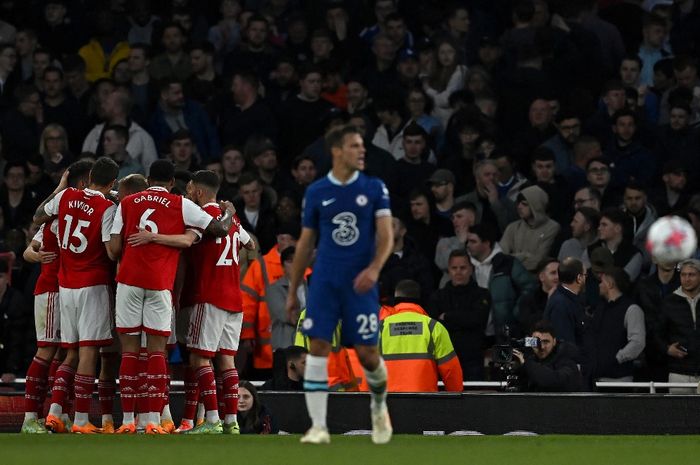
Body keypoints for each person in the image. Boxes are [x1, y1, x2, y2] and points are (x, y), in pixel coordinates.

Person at [285, 125, 394, 444]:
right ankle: (318, 425)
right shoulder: (317, 191)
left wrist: (375, 268)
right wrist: (293, 291)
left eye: (363, 145)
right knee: (316, 348)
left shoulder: (375, 187)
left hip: (360, 283)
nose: (362, 151)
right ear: (336, 151)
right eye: (355, 146)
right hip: (325, 281)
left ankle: (378, 404)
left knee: (367, 353)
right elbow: (306, 243)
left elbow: (386, 235)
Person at [107, 160, 233, 434]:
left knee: (129, 351)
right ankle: (153, 420)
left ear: (149, 178)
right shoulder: (181, 204)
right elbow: (220, 229)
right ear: (172, 183)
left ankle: (128, 420)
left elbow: (115, 249)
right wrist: (229, 213)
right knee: (156, 352)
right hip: (159, 284)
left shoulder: (127, 203)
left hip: (128, 282)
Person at [33, 157, 120, 434]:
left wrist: (59, 187)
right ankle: (81, 419)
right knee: (88, 353)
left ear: (90, 176)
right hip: (92, 285)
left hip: (66, 286)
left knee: (69, 353)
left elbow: (38, 216)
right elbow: (111, 251)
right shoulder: (107, 207)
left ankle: (55, 412)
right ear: (112, 183)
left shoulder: (66, 196)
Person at [20, 160, 92, 434]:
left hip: (69, 291)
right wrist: (37, 256)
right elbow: (29, 250)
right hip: (51, 290)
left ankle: (59, 412)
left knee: (66, 353)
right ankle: (30, 418)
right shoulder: (54, 217)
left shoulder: (79, 215)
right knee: (46, 351)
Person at [380, 279, 463, 391]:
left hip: (388, 402)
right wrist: (456, 398)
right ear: (420, 300)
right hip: (424, 403)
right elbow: (451, 370)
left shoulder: (381, 328)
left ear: (395, 300)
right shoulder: (434, 327)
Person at [428, 250, 491, 380]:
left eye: (463, 268)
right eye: (454, 268)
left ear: (471, 269)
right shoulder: (437, 297)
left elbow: (478, 320)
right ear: (448, 271)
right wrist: (465, 319)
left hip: (473, 359)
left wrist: (447, 316)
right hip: (444, 358)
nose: (458, 272)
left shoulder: (482, 294)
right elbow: (435, 327)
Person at [466, 223, 537, 338]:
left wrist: (517, 312)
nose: (468, 245)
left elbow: (530, 286)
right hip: (475, 334)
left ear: (486, 243)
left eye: (473, 241)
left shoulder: (507, 263)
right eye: (467, 241)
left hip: (505, 333)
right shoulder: (465, 266)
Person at [587, 266, 645, 383]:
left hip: (619, 379)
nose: (599, 285)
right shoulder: (600, 308)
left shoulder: (632, 309)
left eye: (602, 282)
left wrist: (617, 358)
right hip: (596, 378)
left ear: (610, 284)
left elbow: (638, 342)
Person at [656, 259, 700, 394]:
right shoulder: (668, 303)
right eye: (683, 275)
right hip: (678, 372)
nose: (687, 279)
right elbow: (656, 334)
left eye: (691, 275)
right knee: (678, 414)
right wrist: (667, 349)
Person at [499, 185, 560, 272]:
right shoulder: (513, 227)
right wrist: (525, 256)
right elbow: (500, 257)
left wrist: (512, 258)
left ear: (536, 205)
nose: (519, 207)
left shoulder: (552, 227)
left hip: (538, 278)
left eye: (524, 204)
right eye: (518, 203)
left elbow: (539, 261)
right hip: (512, 275)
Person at [512, 321, 583, 392]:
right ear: (530, 342)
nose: (542, 347)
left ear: (554, 341)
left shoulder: (567, 358)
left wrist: (526, 364)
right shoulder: (531, 358)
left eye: (546, 342)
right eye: (537, 342)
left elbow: (555, 381)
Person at [267, 246, 307, 351]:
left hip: (308, 346)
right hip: (284, 346)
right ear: (283, 266)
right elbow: (288, 316)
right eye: (290, 261)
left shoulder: (312, 286)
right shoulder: (274, 289)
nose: (295, 264)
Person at [544, 257, 587, 348]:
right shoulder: (561, 304)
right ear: (579, 278)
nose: (586, 279)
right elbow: (564, 344)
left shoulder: (570, 299)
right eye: (585, 275)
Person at [518, 258, 559, 338]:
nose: (558, 276)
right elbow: (530, 327)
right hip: (535, 344)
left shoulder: (571, 296)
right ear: (542, 277)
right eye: (553, 273)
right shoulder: (527, 300)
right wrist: (550, 303)